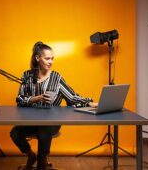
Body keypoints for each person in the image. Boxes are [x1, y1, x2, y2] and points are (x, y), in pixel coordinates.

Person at [10, 41, 97, 170]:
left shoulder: (56, 78)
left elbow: (72, 98)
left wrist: (91, 103)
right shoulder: (27, 76)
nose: (51, 62)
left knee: (43, 130)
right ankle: (31, 156)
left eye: (52, 59)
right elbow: (19, 99)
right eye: (47, 58)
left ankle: (42, 162)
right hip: (31, 121)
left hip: (51, 122)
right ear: (38, 58)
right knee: (15, 133)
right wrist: (35, 98)